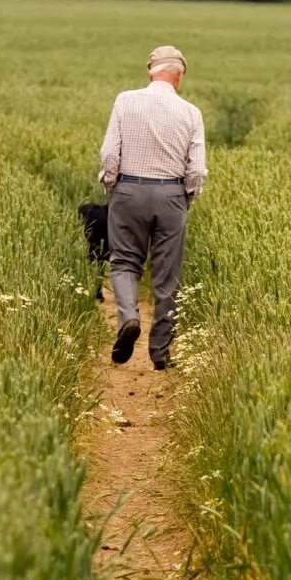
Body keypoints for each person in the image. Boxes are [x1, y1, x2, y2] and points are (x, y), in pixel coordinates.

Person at [98, 45, 207, 368]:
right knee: (166, 275)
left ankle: (129, 317)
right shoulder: (191, 112)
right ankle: (160, 354)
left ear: (150, 71)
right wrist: (184, 198)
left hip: (128, 190)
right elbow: (197, 170)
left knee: (124, 262)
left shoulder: (125, 101)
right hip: (171, 195)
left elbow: (108, 153)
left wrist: (112, 186)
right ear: (179, 75)